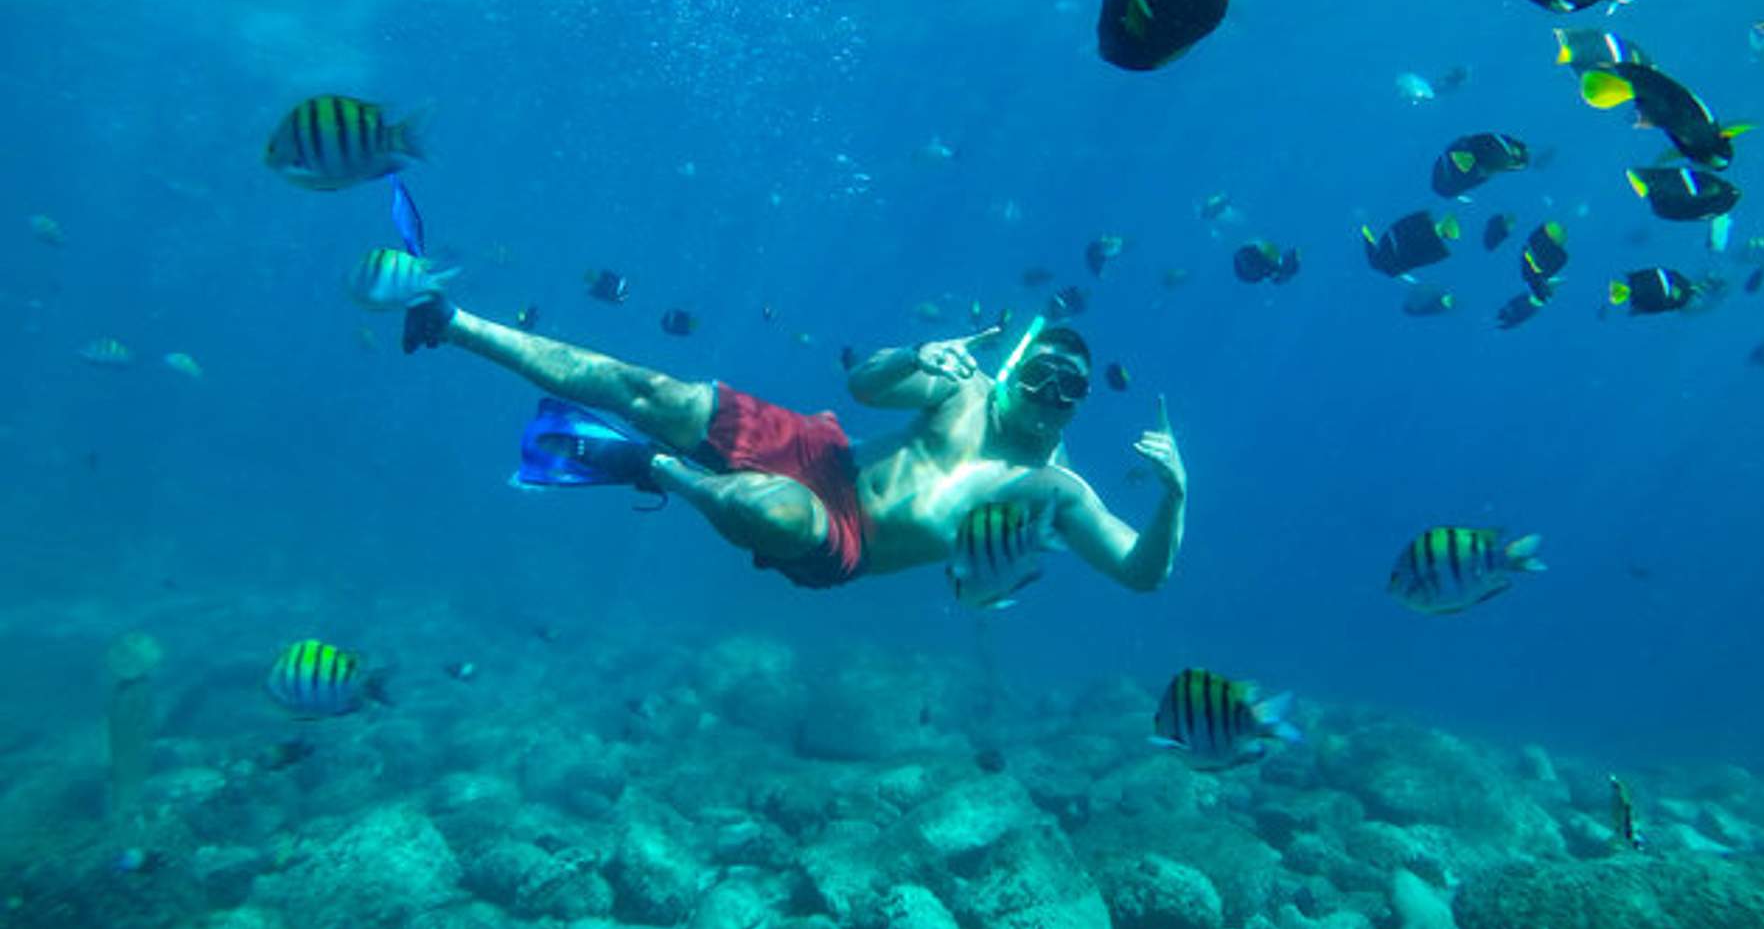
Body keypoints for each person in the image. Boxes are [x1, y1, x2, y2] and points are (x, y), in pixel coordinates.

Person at [401, 298, 1185, 593]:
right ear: (1018, 367)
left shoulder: (1059, 491)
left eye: (1069, 390)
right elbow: (866, 390)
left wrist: (1175, 496)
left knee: (772, 515)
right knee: (659, 391)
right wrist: (915, 355)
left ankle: (650, 467)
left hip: (845, 541)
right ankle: (454, 322)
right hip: (824, 450)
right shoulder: (965, 386)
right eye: (1043, 374)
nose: (1051, 397)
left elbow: (1141, 572)